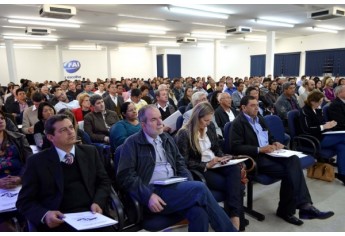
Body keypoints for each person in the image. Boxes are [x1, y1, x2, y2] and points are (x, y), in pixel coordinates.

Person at [116, 105, 237, 232]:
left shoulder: (166, 138)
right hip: (153, 192)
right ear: (143, 124)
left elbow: (180, 164)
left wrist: (188, 183)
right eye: (153, 120)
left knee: (199, 212)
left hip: (174, 186)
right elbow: (125, 176)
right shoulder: (132, 143)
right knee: (199, 188)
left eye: (160, 118)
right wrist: (148, 196)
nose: (160, 123)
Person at [229, 95, 334, 226]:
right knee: (291, 171)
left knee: (294, 160)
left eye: (257, 105)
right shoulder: (238, 123)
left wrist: (275, 143)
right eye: (253, 105)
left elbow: (269, 136)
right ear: (243, 107)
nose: (257, 108)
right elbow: (235, 147)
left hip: (271, 154)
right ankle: (292, 210)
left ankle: (304, 205)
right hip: (256, 159)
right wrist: (259, 149)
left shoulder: (259, 119)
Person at [16, 114, 112, 232]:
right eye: (63, 130)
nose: (71, 132)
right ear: (51, 137)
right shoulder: (37, 162)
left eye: (71, 127)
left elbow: (104, 181)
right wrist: (45, 215)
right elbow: (24, 201)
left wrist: (98, 202)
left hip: (92, 214)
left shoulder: (90, 152)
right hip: (59, 220)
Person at [175, 102, 243, 230]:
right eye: (205, 120)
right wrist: (206, 164)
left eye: (209, 120)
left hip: (216, 163)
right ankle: (234, 220)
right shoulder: (184, 134)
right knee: (234, 185)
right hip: (202, 169)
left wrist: (222, 157)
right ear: (197, 118)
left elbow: (216, 148)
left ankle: (234, 216)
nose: (208, 123)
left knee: (234, 169)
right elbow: (183, 162)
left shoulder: (210, 127)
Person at [299, 90, 345, 185]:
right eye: (319, 101)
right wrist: (323, 127)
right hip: (313, 139)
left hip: (321, 135)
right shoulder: (304, 111)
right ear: (312, 101)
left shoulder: (317, 108)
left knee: (342, 147)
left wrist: (328, 124)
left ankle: (342, 174)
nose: (321, 103)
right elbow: (307, 129)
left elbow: (321, 122)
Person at [0, 110, 33, 231]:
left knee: (26, 209)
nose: (0, 121)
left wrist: (21, 178)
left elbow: (30, 161)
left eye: (2, 118)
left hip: (19, 180)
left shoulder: (19, 138)